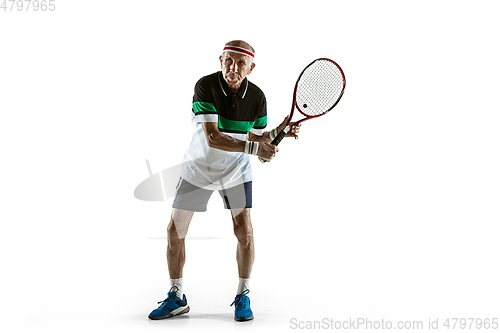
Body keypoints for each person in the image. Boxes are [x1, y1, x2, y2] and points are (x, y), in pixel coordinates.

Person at [148, 40, 300, 322]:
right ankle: (177, 296)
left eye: (240, 63)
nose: (233, 67)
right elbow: (213, 137)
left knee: (245, 232)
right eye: (228, 60)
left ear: (251, 67)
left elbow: (254, 139)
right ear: (220, 60)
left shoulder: (257, 98)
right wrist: (258, 149)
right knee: (174, 232)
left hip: (236, 173)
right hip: (198, 169)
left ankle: (243, 294)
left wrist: (277, 135)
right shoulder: (205, 86)